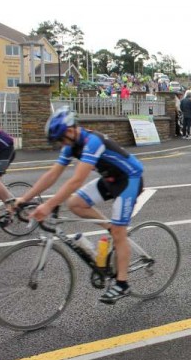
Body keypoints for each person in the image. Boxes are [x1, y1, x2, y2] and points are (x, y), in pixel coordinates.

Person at [14, 107, 144, 304]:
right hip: (110, 179)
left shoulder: (93, 142)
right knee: (75, 203)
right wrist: (24, 198)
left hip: (129, 179)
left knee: (119, 233)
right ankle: (110, 227)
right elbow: (52, 175)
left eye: (61, 139)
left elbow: (76, 181)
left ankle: (123, 283)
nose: (61, 144)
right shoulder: (70, 145)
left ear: (71, 130)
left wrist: (48, 205)